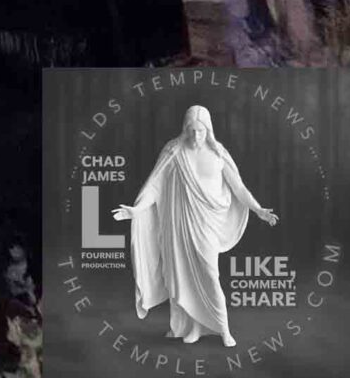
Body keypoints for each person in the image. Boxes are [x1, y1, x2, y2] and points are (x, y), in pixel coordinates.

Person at [113, 104, 278, 348]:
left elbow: (239, 187)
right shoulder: (173, 152)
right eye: (191, 130)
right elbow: (154, 186)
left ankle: (223, 329)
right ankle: (193, 327)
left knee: (210, 275)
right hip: (179, 226)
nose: (195, 136)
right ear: (185, 129)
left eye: (200, 131)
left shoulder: (219, 154)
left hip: (207, 225)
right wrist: (136, 210)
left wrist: (258, 209)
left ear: (208, 130)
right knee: (182, 276)